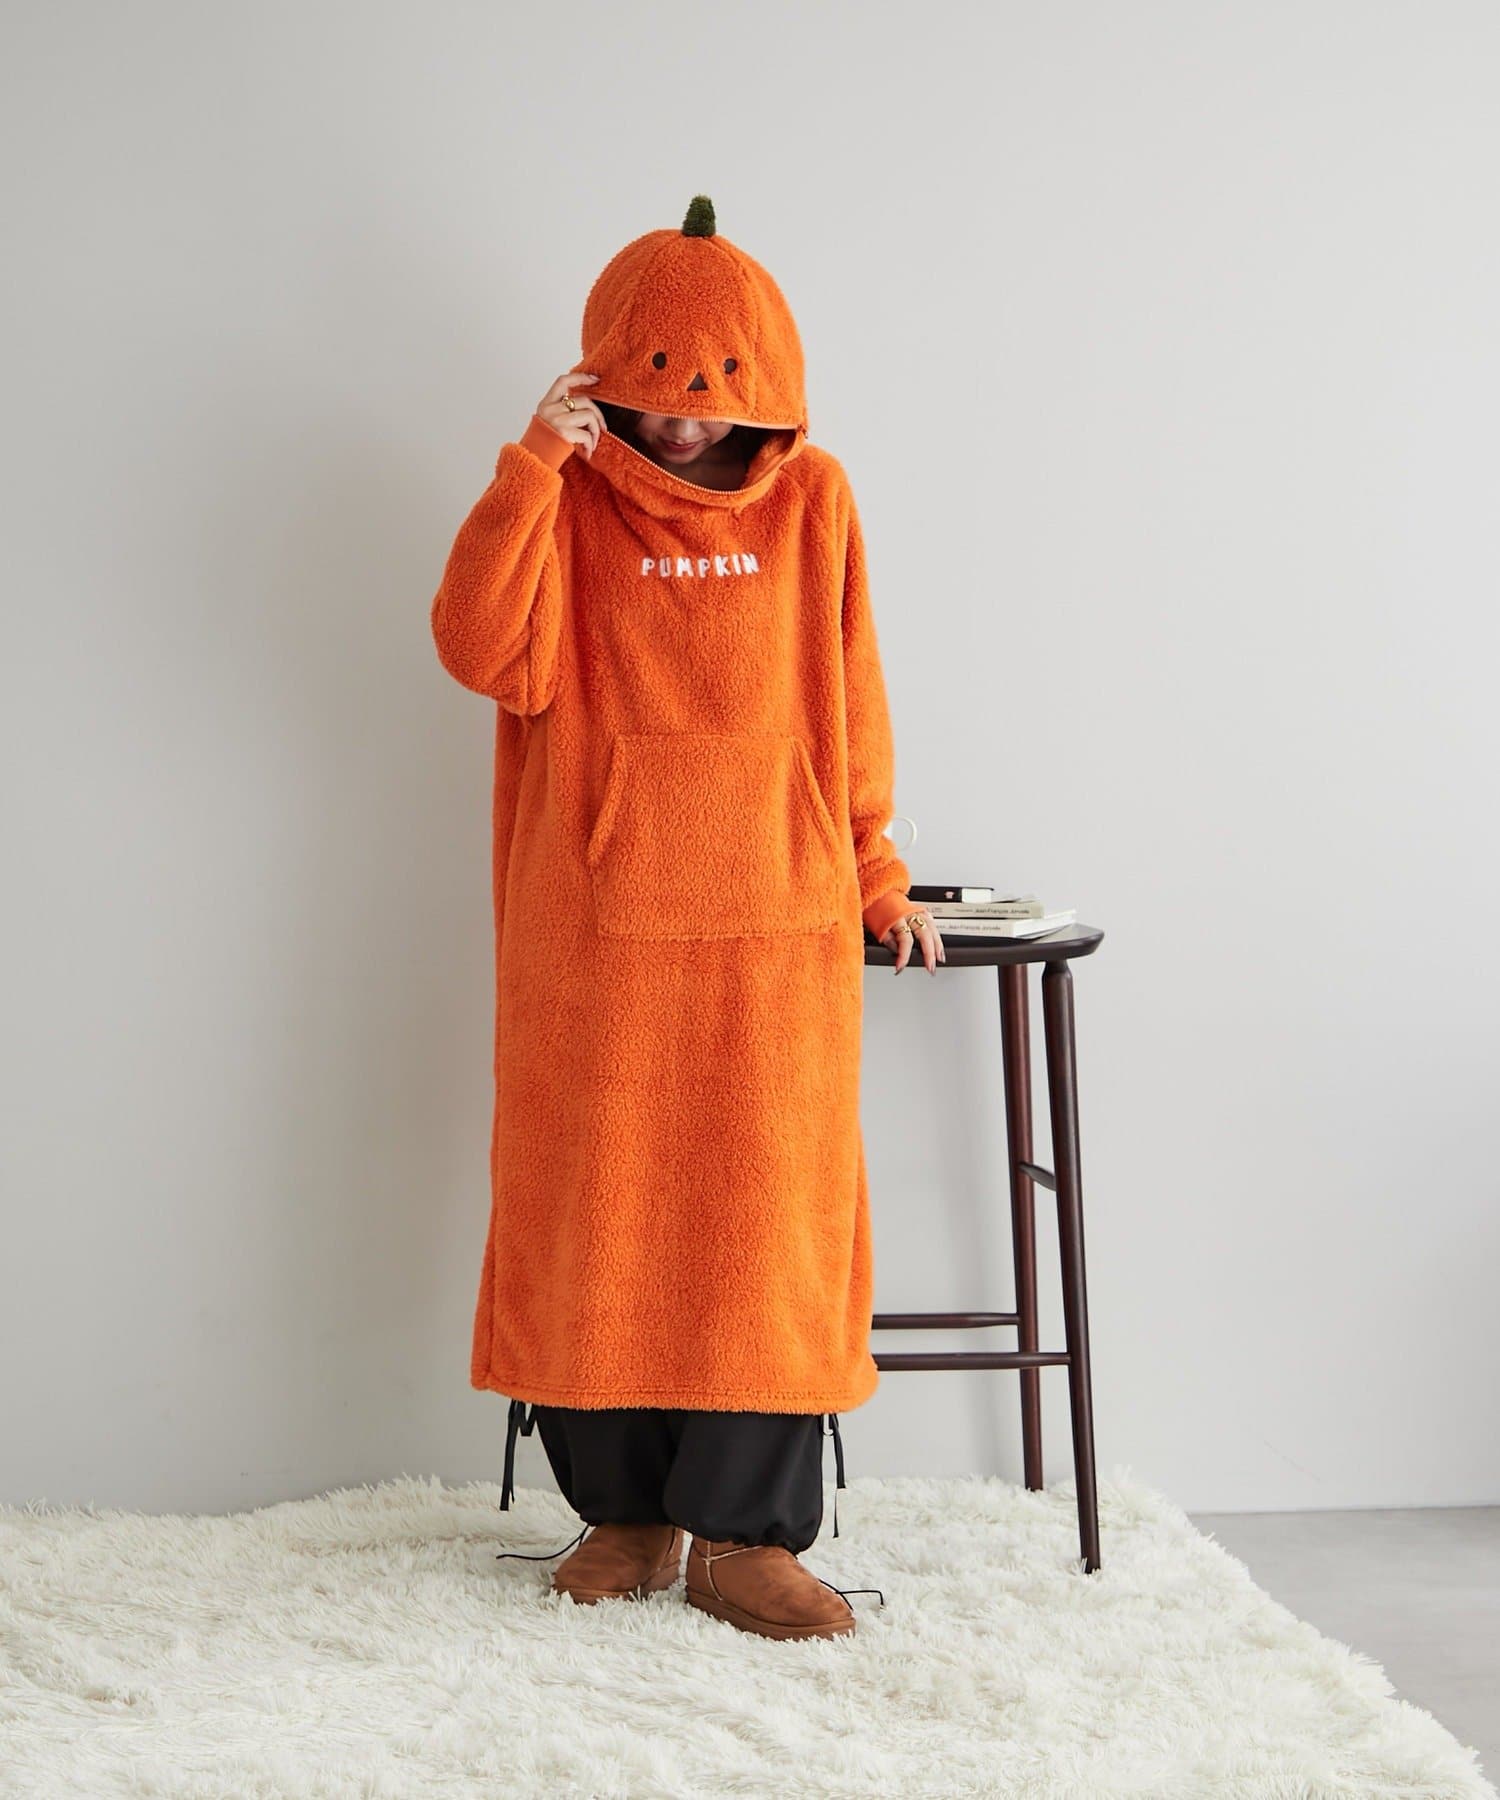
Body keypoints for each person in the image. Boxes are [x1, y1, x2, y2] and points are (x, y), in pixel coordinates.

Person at [430, 194, 944, 1643]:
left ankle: (743, 1538)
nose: (678, 421)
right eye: (650, 389)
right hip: (594, 929)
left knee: (762, 1222)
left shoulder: (815, 498)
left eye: (710, 390)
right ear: (606, 371)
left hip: (775, 928)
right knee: (598, 1208)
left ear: (761, 380)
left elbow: (848, 694)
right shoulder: (568, 498)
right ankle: (626, 1515)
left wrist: (874, 867)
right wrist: (535, 463)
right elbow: (478, 647)